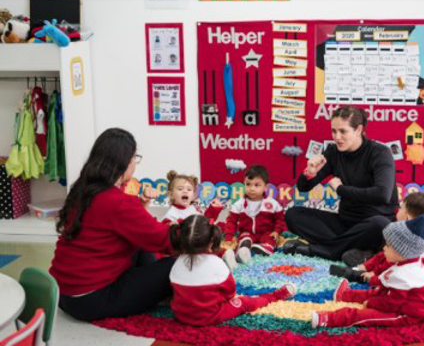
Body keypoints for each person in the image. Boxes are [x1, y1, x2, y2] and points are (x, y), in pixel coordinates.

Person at [50, 128, 177, 321]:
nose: (135, 163)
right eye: (134, 158)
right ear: (123, 162)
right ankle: (154, 294)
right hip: (91, 300)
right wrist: (200, 234)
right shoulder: (117, 202)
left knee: (139, 243)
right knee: (178, 263)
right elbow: (164, 239)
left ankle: (150, 291)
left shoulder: (83, 190)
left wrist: (139, 207)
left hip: (62, 294)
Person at [284, 105, 398, 261]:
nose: (337, 137)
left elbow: (382, 195)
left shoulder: (380, 153)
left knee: (380, 224)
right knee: (293, 214)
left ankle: (324, 251)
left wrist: (341, 189)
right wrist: (310, 173)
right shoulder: (333, 152)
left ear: (358, 130)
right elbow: (303, 188)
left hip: (373, 223)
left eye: (343, 131)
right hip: (345, 223)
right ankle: (359, 250)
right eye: (334, 131)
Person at [169, 215, 296, 326]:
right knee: (244, 302)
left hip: (180, 316)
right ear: (212, 241)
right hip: (210, 317)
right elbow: (230, 292)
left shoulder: (176, 263)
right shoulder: (217, 264)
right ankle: (274, 296)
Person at [311, 215, 424, 328]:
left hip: (406, 314)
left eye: (388, 246)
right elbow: (385, 279)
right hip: (399, 298)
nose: (384, 248)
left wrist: (371, 303)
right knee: (375, 292)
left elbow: (392, 304)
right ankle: (345, 294)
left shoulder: (405, 275)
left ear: (402, 252)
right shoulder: (406, 261)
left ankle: (328, 319)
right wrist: (374, 283)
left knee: (363, 315)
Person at [330, 192, 424, 284]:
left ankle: (359, 276)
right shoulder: (411, 230)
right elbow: (387, 253)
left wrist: (374, 274)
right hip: (401, 259)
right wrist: (364, 266)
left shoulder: (415, 242)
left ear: (407, 218)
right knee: (383, 252)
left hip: (416, 273)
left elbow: (396, 263)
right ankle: (365, 262)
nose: (397, 210)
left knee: (387, 279)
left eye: (400, 208)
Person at [221, 165, 285, 265]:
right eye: (248, 184)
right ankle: (243, 251)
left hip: (266, 232)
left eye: (256, 185)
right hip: (247, 232)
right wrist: (229, 237)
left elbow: (280, 219)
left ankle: (265, 248)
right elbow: (231, 221)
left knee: (270, 238)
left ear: (265, 187)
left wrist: (276, 231)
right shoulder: (239, 204)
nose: (251, 188)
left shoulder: (272, 204)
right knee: (245, 237)